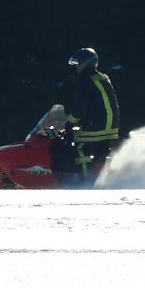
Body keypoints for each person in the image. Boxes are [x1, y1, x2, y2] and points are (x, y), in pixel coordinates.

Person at [57, 47, 120, 185]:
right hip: (111, 126)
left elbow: (80, 106)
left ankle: (85, 183)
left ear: (84, 63)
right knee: (101, 153)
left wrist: (70, 123)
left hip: (96, 125)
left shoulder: (84, 80)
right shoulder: (103, 77)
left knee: (80, 149)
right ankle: (101, 180)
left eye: (77, 63)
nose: (76, 67)